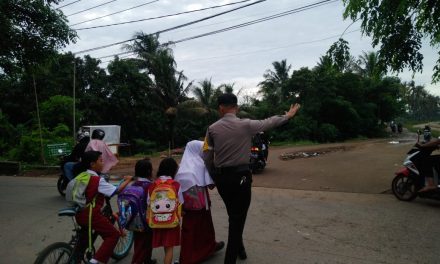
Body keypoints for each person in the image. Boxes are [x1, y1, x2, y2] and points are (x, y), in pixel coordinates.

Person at [202, 93, 300, 264]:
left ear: (220, 108)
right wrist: (288, 116)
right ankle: (230, 259)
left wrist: (212, 176)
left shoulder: (211, 129)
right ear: (236, 107)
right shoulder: (246, 125)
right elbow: (269, 122)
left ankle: (241, 249)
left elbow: (206, 156)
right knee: (237, 218)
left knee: (234, 215)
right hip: (241, 178)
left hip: (222, 179)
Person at [74, 150, 133, 264]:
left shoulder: (82, 176)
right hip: (91, 215)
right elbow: (117, 190)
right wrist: (128, 180)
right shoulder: (97, 180)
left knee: (85, 237)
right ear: (92, 164)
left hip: (79, 213)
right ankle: (97, 261)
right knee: (113, 235)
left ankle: (76, 256)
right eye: (101, 161)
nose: (103, 163)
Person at [175, 140, 225, 264]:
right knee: (205, 227)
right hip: (201, 204)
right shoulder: (200, 164)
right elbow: (211, 184)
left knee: (189, 230)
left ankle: (187, 256)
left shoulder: (182, 166)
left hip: (186, 206)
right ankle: (206, 249)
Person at [149, 157, 182, 264]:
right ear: (173, 170)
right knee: (169, 248)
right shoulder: (176, 184)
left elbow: (149, 203)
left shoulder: (153, 185)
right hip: (172, 220)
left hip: (157, 220)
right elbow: (181, 201)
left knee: (166, 245)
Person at [131, 158, 157, 264]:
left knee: (139, 242)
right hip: (146, 220)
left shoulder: (133, 185)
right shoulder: (150, 186)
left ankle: (147, 260)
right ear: (149, 171)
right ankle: (138, 261)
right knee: (145, 243)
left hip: (134, 219)